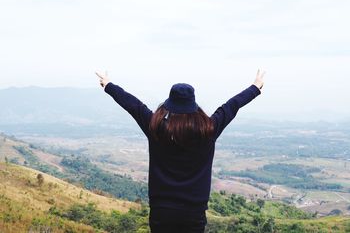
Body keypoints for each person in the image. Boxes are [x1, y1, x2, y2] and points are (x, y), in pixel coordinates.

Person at [96, 70, 265, 233]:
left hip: (161, 210)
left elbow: (133, 105)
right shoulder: (208, 130)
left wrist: (108, 85)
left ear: (169, 105)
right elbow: (231, 106)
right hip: (194, 212)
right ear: (193, 106)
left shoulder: (155, 127)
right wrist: (255, 87)